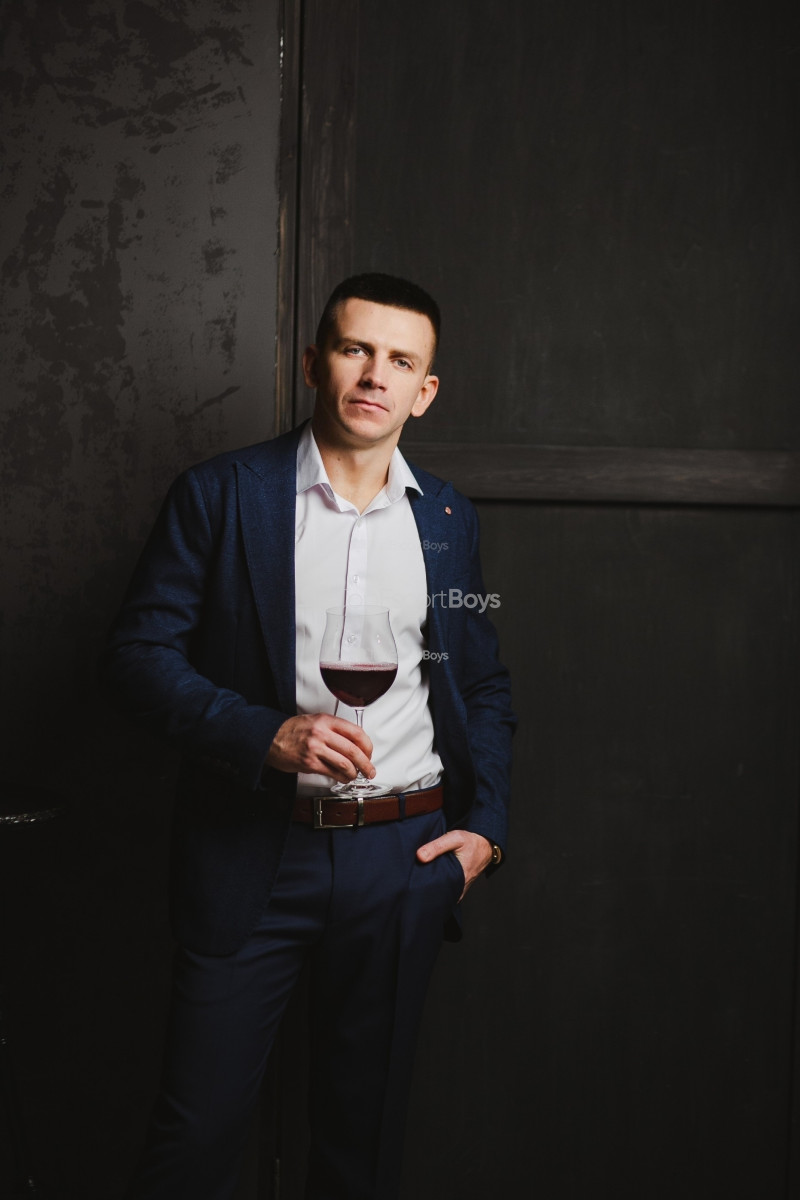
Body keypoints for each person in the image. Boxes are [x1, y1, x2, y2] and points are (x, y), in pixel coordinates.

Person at [101, 272, 515, 1200]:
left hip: (403, 862)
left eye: (400, 361)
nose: (374, 375)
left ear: (424, 391)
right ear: (312, 362)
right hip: (253, 852)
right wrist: (264, 734)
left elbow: (479, 680)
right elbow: (134, 656)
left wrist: (486, 829)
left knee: (362, 1149)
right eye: (355, 349)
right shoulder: (221, 494)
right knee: (195, 1139)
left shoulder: (448, 521)